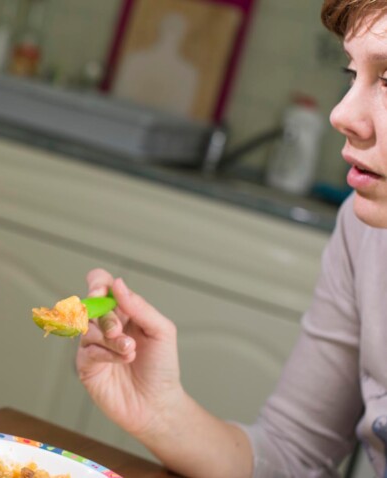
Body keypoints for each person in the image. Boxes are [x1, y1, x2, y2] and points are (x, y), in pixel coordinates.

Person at [76, 1, 387, 476]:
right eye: (352, 75)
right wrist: (161, 412)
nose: (342, 114)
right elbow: (291, 454)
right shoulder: (362, 232)